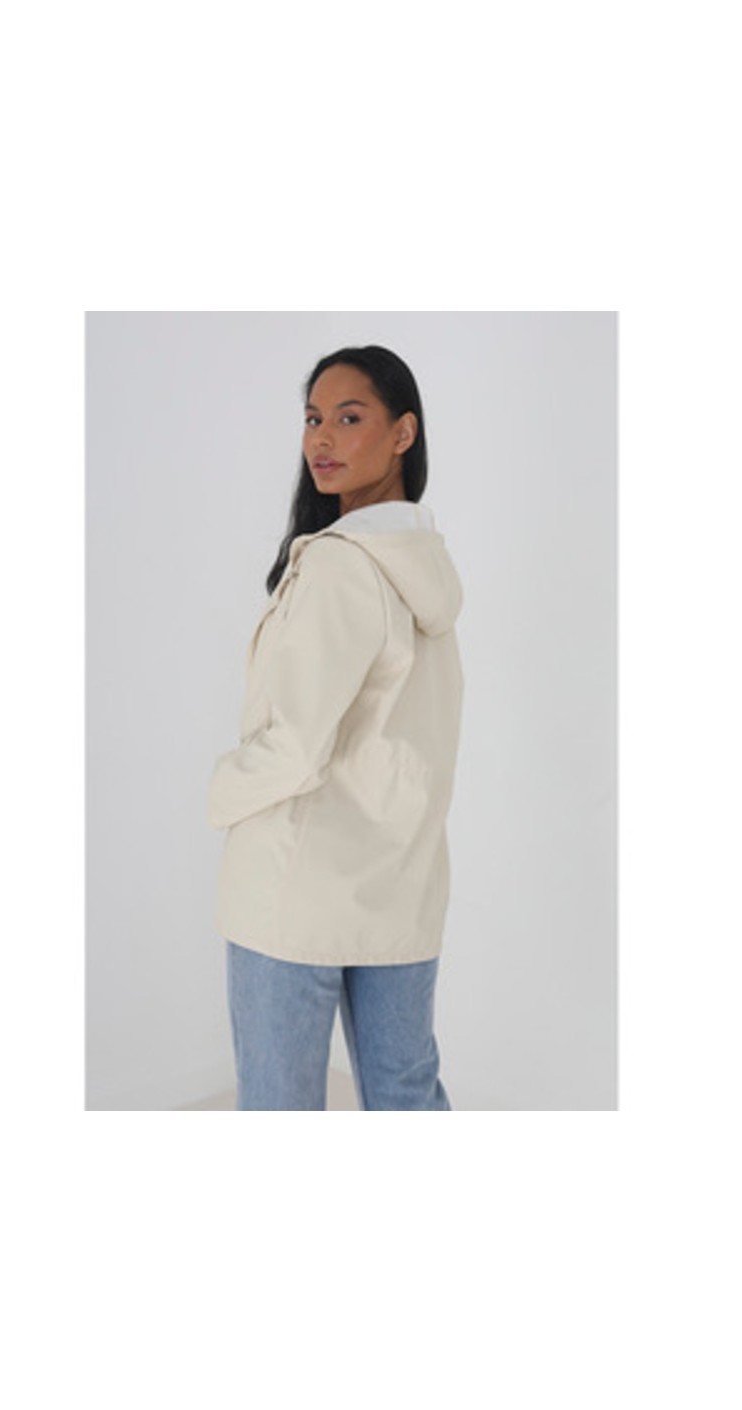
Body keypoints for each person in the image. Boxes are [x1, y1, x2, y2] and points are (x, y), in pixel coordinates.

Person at [206, 345, 465, 1110]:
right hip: (401, 884)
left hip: (292, 892)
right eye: (313, 418)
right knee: (406, 1095)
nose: (321, 438)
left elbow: (294, 747)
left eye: (350, 419)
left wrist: (219, 789)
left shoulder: (338, 566)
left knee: (279, 1106)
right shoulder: (424, 569)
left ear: (403, 433)